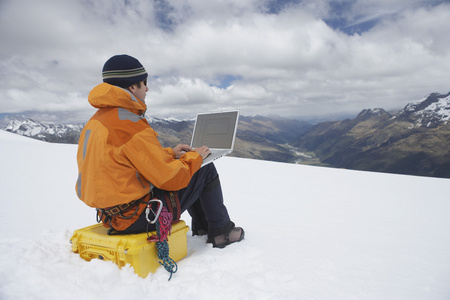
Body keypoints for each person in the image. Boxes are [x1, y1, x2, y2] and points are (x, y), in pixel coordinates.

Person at [75, 54, 244, 248]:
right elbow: (171, 179)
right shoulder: (129, 124)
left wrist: (171, 153)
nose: (147, 88)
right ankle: (221, 233)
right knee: (203, 169)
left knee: (194, 166)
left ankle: (202, 228)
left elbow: (127, 160)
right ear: (132, 87)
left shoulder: (97, 121)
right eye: (143, 83)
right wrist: (196, 156)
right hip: (139, 216)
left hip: (111, 214)